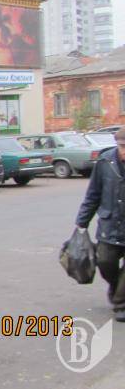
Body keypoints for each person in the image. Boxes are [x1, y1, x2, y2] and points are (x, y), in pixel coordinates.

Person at [76, 128, 125, 322]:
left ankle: (120, 303)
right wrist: (82, 222)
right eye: (122, 146)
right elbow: (93, 194)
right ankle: (116, 286)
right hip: (110, 224)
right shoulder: (105, 161)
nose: (124, 151)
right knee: (105, 262)